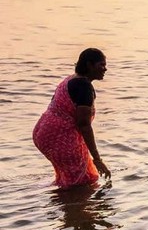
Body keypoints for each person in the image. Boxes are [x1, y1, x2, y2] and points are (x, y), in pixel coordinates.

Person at [33, 48, 110, 188]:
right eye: (101, 65)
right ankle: (72, 207)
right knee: (81, 182)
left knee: (72, 179)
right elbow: (84, 125)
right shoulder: (83, 87)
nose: (105, 69)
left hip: (44, 132)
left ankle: (64, 205)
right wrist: (97, 159)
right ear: (89, 65)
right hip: (59, 136)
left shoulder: (72, 79)